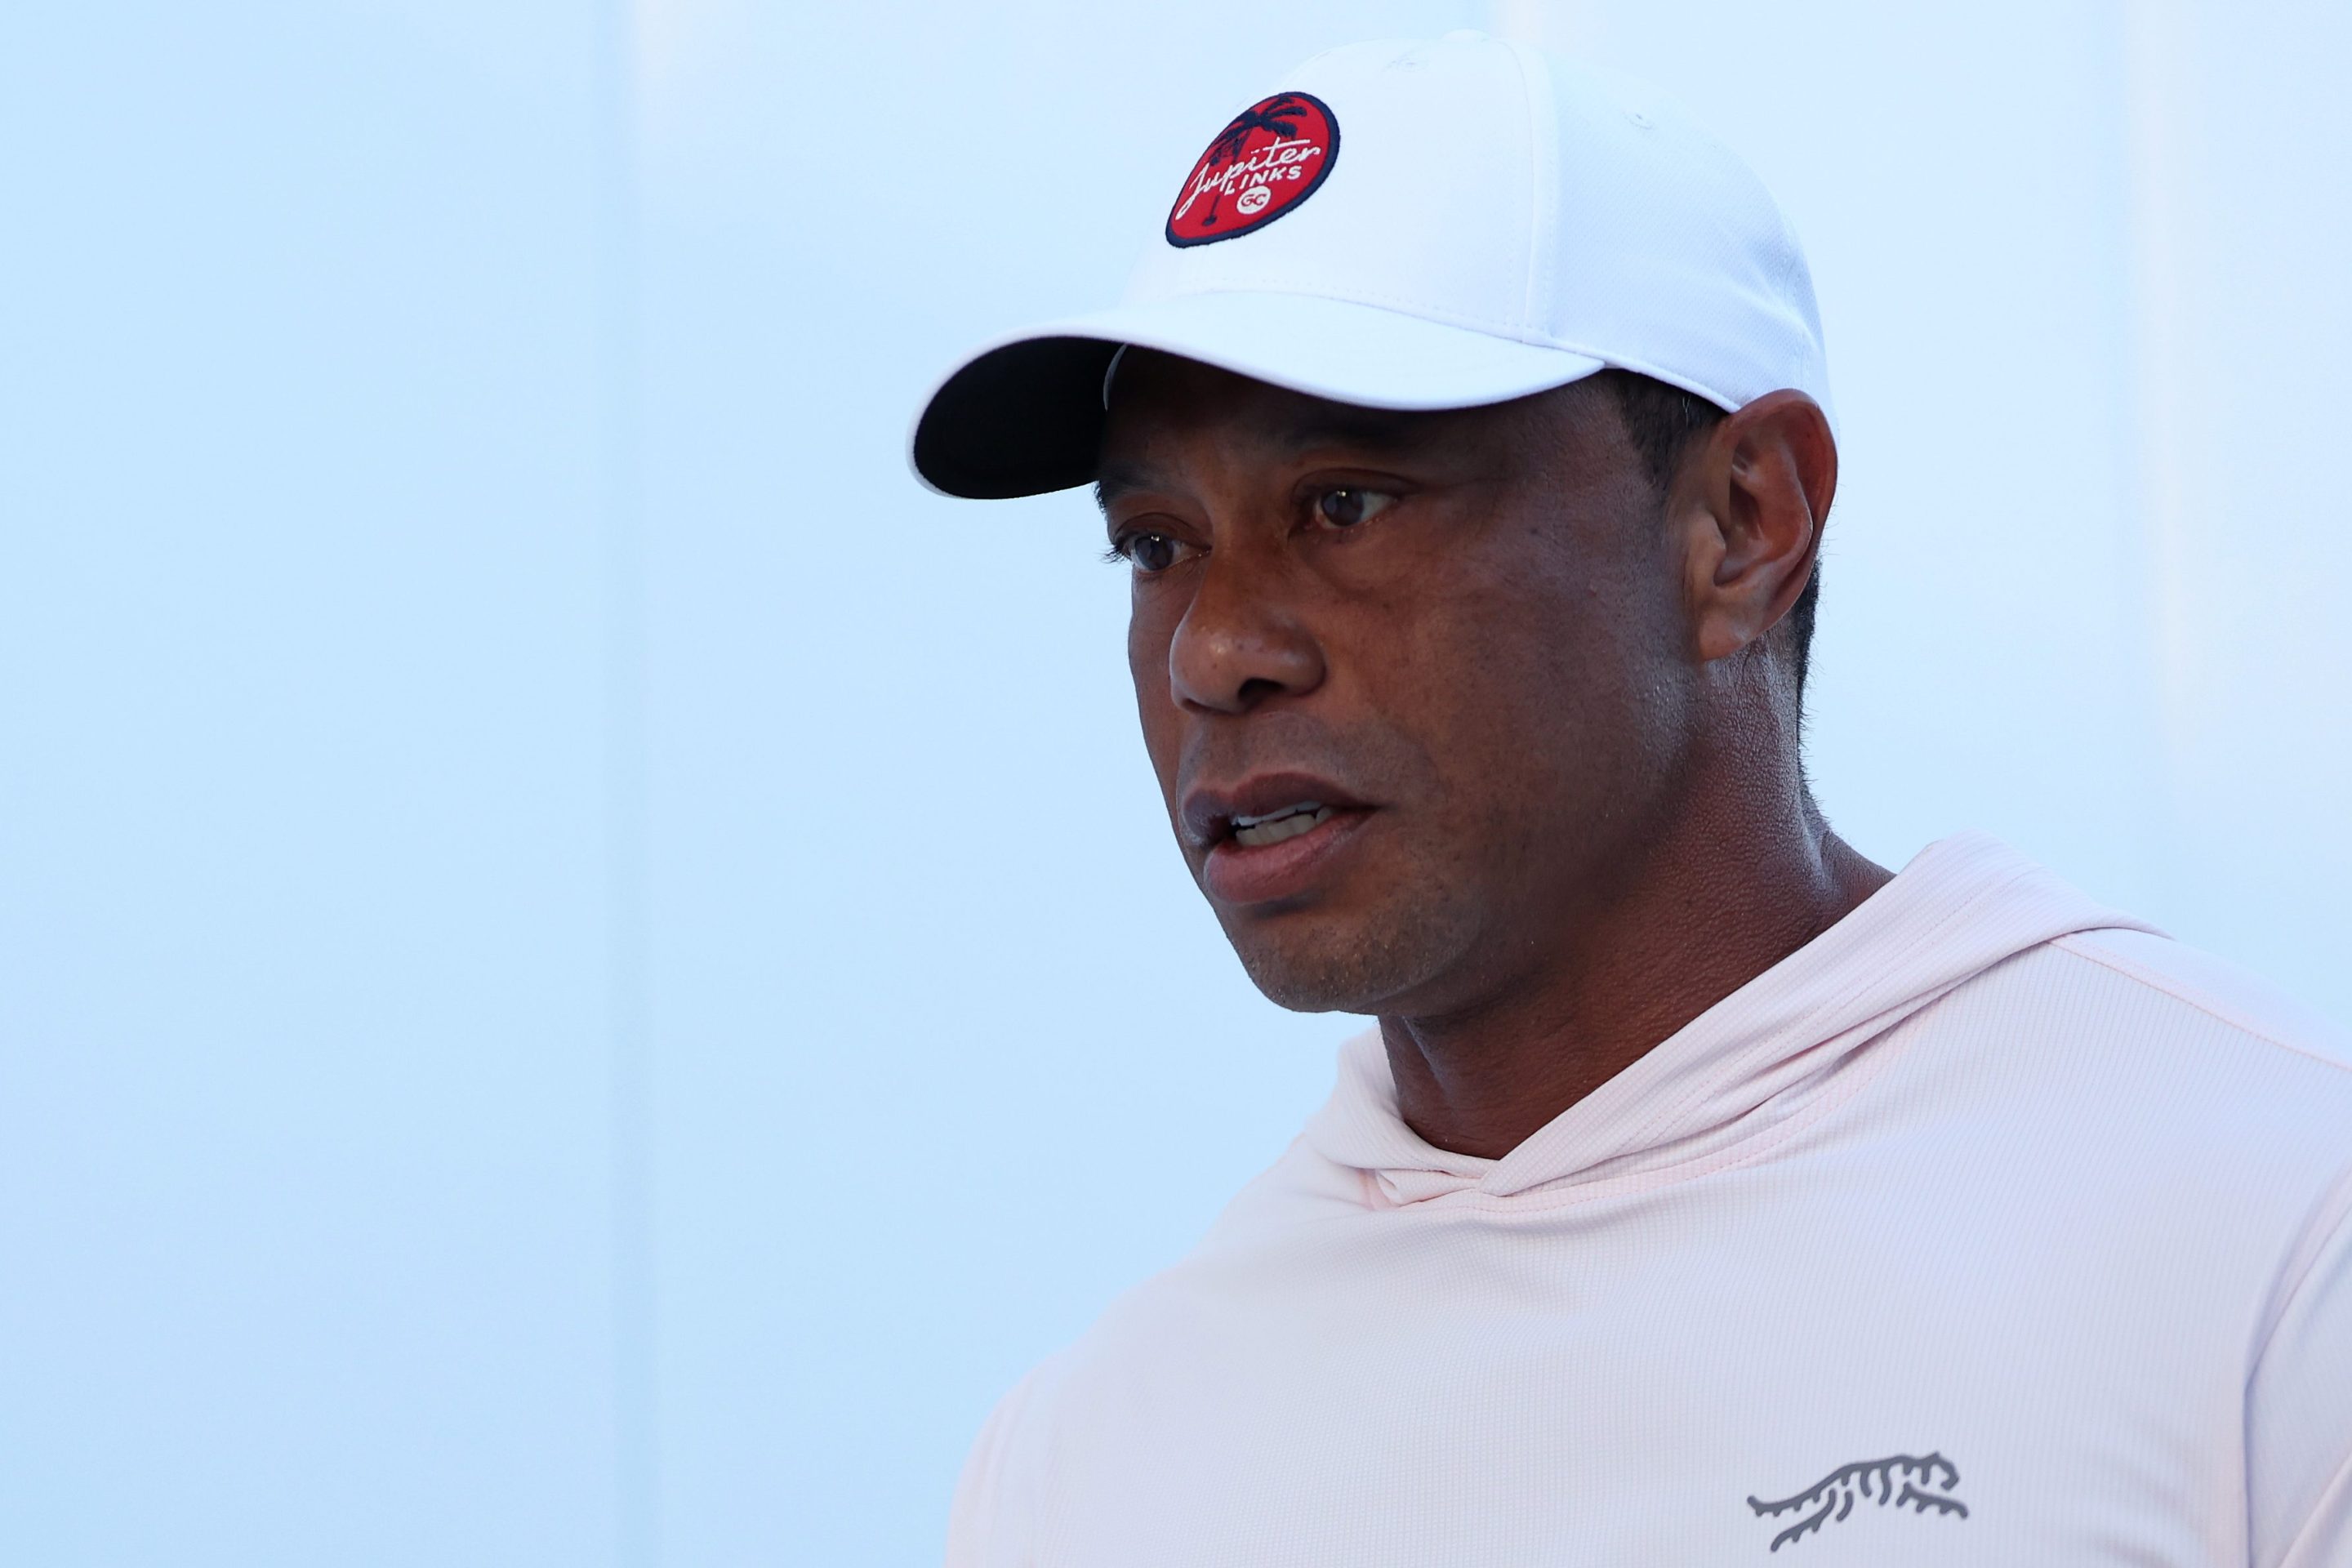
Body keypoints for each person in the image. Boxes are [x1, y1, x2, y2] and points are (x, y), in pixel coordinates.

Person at [908, 33, 2352, 1567]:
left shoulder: (2268, 1222)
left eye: (1344, 503)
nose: (1215, 650)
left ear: (1743, 523)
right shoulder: (1089, 1467)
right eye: (1154, 543)